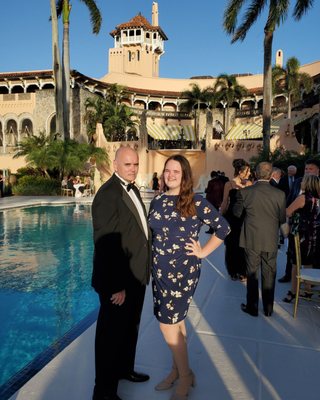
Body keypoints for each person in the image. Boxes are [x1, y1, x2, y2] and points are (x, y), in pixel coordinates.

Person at [148, 154, 230, 400]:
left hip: (182, 272)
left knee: (167, 324)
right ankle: (177, 370)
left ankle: (185, 376)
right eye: (167, 170)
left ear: (184, 176)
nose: (170, 175)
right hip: (159, 271)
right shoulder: (158, 201)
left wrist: (203, 251)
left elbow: (223, 228)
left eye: (176, 171)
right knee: (177, 322)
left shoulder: (196, 202)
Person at [91, 146, 151, 400]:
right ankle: (104, 392)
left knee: (130, 328)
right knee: (110, 337)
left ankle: (124, 369)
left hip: (135, 276)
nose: (133, 169)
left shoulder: (132, 187)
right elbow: (106, 243)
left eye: (136, 164)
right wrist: (116, 286)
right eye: (128, 165)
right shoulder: (107, 195)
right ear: (115, 165)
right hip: (119, 282)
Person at [233, 162, 286, 317]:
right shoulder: (280, 194)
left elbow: (237, 214)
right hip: (270, 238)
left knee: (252, 273)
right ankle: (268, 309)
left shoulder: (245, 192)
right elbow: (282, 218)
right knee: (269, 273)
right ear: (271, 175)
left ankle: (252, 307)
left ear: (255, 174)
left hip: (251, 238)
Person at [278, 159, 320, 283]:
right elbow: (290, 198)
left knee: (304, 258)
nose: (307, 171)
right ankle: (290, 277)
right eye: (306, 168)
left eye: (310, 169)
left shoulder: (310, 193)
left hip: (310, 230)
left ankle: (307, 284)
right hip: (297, 226)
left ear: (318, 170)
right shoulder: (297, 182)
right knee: (292, 255)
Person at [282, 175, 320, 303]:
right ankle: (308, 291)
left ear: (308, 183)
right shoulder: (317, 199)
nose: (302, 182)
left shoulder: (303, 198)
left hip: (301, 235)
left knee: (295, 264)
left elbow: (287, 212)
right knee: (308, 263)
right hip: (314, 235)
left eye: (304, 180)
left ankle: (293, 292)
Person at [220, 159, 252, 281]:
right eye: (247, 171)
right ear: (240, 172)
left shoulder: (249, 184)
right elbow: (224, 202)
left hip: (244, 218)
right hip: (232, 218)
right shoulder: (229, 184)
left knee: (244, 245)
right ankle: (233, 271)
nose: (249, 173)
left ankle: (243, 271)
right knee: (232, 245)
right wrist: (220, 217)